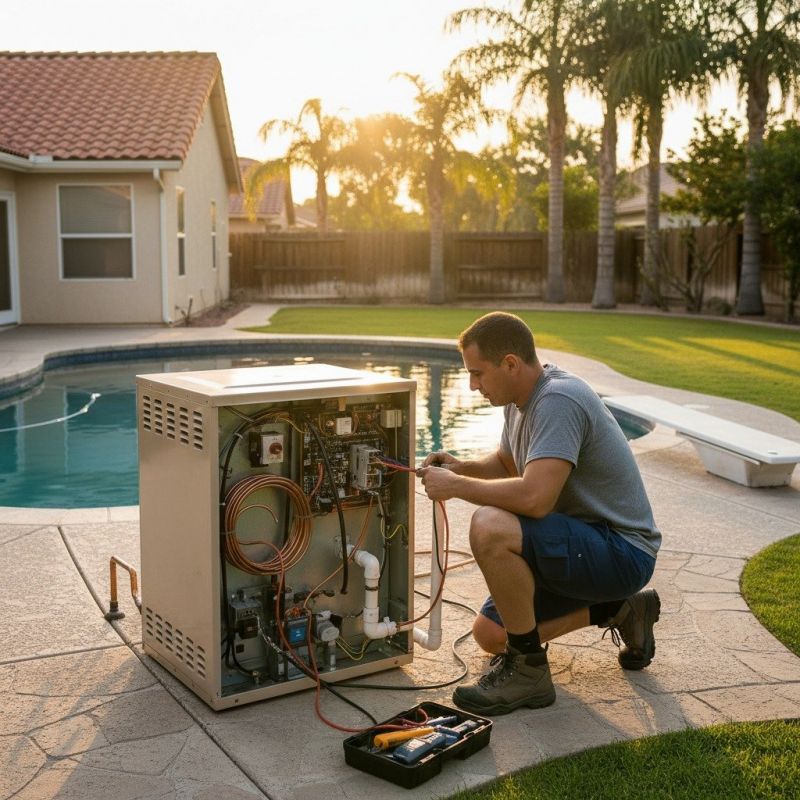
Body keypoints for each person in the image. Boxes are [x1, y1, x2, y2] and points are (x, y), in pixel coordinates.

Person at [417, 311, 661, 716]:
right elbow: (509, 464)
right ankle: (621, 609)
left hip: (621, 550)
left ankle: (529, 672)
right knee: (491, 634)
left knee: (490, 525)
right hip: (579, 541)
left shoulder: (558, 400)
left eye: (478, 374)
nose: (473, 385)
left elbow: (534, 499)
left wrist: (457, 488)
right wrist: (460, 468)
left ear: (510, 363)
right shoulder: (519, 399)